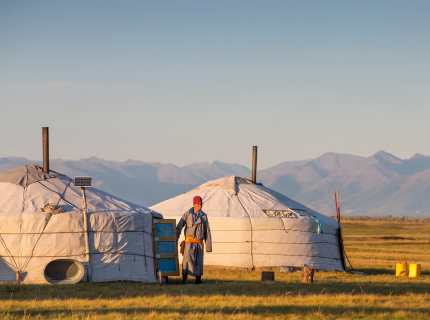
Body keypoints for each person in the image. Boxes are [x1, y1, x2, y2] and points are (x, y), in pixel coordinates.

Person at [176, 196, 212, 284]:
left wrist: (208, 246)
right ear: (194, 204)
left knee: (198, 261)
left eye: (201, 204)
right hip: (189, 242)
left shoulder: (204, 216)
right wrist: (175, 239)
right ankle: (184, 279)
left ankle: (198, 279)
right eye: (198, 204)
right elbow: (179, 227)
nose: (200, 206)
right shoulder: (187, 214)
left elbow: (207, 231)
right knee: (187, 260)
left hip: (199, 243)